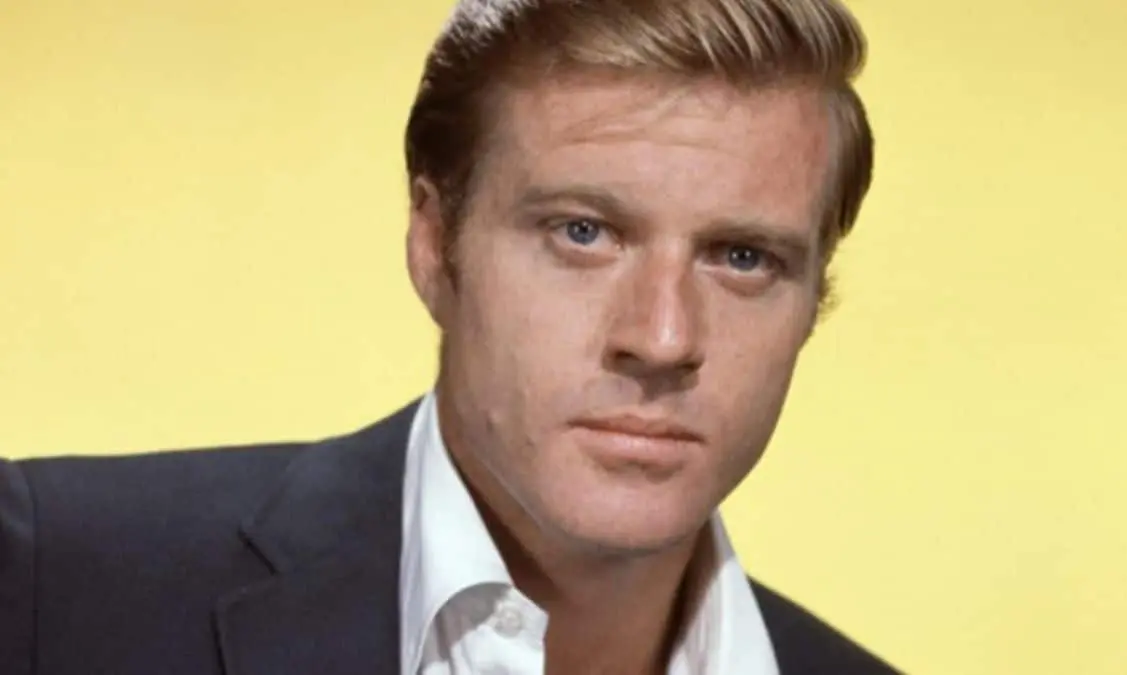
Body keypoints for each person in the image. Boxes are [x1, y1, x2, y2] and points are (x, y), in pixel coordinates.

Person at [0, 0, 897, 673]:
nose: (662, 337)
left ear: (814, 298)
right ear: (434, 245)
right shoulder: (52, 582)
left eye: (742, 257)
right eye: (582, 232)